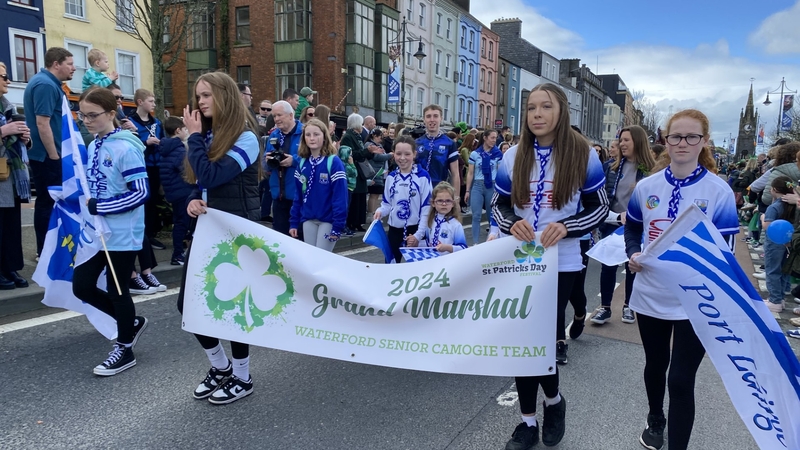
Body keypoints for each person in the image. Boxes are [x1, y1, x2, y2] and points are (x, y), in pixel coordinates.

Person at [492, 83, 607, 449]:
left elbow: (599, 208)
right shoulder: (512, 156)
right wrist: (512, 223)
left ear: (561, 112)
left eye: (545, 107)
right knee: (522, 340)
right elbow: (498, 206)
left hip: (563, 261)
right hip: (519, 259)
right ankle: (530, 421)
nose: (537, 114)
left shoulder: (584, 155)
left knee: (538, 340)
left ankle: (552, 404)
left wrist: (566, 226)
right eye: (531, 108)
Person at [625, 109, 735, 450]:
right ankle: (656, 417)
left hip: (696, 299)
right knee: (656, 365)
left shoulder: (719, 192)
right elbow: (631, 226)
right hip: (651, 294)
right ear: (665, 140)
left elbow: (725, 251)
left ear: (704, 142)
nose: (683, 143)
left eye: (691, 137)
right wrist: (632, 254)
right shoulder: (646, 187)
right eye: (676, 136)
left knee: (682, 379)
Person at [179, 71, 261, 404]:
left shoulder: (247, 138)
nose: (200, 102)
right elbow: (199, 183)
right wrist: (192, 201)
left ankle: (243, 375)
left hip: (237, 233)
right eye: (198, 96)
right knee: (186, 303)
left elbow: (212, 175)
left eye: (207, 95)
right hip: (209, 231)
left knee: (232, 309)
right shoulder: (208, 136)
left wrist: (194, 138)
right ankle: (220, 366)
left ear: (225, 97)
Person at [72, 87, 150, 376]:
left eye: (93, 115)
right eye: (83, 115)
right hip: (97, 233)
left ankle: (124, 347)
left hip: (122, 233)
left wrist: (102, 206)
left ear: (111, 113)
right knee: (81, 285)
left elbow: (140, 192)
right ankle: (128, 323)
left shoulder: (126, 147)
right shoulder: (93, 145)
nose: (87, 121)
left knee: (117, 291)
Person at [590, 125, 655, 326]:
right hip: (613, 223)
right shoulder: (610, 167)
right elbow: (601, 198)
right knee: (608, 265)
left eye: (626, 140)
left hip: (638, 227)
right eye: (620, 139)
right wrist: (615, 216)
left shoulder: (652, 171)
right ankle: (606, 307)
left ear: (638, 142)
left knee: (633, 266)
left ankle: (629, 305)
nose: (621, 144)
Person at [23, 47, 75, 257]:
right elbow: (42, 123)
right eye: (70, 64)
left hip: (48, 154)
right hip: (47, 156)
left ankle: (49, 249)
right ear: (56, 64)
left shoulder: (48, 83)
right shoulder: (45, 84)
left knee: (49, 202)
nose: (74, 68)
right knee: (47, 202)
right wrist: (54, 156)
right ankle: (45, 251)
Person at [289, 118, 348, 251]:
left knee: (323, 260)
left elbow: (340, 196)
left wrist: (338, 225)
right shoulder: (303, 163)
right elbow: (298, 196)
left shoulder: (333, 162)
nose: (312, 138)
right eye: (308, 135)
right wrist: (294, 222)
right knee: (311, 260)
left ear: (324, 136)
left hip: (328, 220)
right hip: (308, 219)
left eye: (316, 134)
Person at [373, 135, 432, 263]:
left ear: (414, 154)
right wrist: (380, 211)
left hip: (415, 230)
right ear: (393, 154)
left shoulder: (423, 177)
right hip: (394, 230)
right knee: (391, 266)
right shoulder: (391, 177)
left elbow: (426, 209)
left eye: (407, 154)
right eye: (398, 153)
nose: (402, 158)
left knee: (416, 270)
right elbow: (387, 204)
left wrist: (418, 234)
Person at [0, 61, 31, 289]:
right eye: (4, 76)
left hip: (9, 173)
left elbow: (17, 143)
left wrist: (24, 139)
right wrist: (4, 131)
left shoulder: (8, 106)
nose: (8, 80)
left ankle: (9, 267)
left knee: (10, 224)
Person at [128, 88, 166, 250]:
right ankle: (144, 236)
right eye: (151, 101)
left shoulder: (157, 122)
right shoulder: (130, 123)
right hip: (141, 168)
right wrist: (146, 144)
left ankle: (151, 234)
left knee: (155, 201)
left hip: (157, 167)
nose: (154, 104)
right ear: (140, 102)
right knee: (145, 202)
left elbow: (164, 140)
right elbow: (130, 148)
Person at [264, 101, 304, 236]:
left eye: (279, 115)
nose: (276, 119)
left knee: (300, 241)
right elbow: (267, 160)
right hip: (279, 196)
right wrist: (268, 159)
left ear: (291, 115)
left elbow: (315, 159)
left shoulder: (305, 133)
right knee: (280, 242)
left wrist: (294, 160)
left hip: (299, 198)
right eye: (274, 116)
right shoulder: (274, 135)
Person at [158, 116, 193, 265]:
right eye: (185, 129)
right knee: (182, 223)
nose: (187, 131)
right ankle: (178, 254)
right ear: (178, 130)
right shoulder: (179, 150)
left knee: (180, 222)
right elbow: (186, 171)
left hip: (173, 191)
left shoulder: (166, 148)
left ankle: (181, 252)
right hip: (183, 192)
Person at [759, 176, 797, 313]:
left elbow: (767, 226)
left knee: (772, 270)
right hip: (789, 242)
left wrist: (762, 217)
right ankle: (780, 298)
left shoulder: (774, 207)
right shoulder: (793, 205)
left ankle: (774, 301)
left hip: (774, 243)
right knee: (784, 271)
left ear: (774, 190)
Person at [465, 129, 503, 245]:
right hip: (477, 185)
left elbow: (500, 172)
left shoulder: (498, 154)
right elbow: (470, 173)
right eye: (492, 137)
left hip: (491, 185)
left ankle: (489, 243)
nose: (494, 140)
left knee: (491, 216)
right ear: (485, 138)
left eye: (495, 138)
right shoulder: (475, 154)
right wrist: (467, 190)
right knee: (476, 215)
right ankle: (475, 243)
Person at [415, 105, 460, 192]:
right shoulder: (417, 142)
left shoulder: (449, 143)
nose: (432, 119)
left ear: (441, 119)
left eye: (435, 116)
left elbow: (455, 174)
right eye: (428, 116)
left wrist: (456, 198)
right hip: (418, 190)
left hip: (440, 191)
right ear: (424, 119)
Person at [342, 113, 372, 232]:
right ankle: (352, 222)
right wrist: (366, 151)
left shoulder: (358, 136)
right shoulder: (348, 137)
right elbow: (351, 154)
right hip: (353, 170)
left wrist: (370, 152)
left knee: (361, 197)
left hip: (361, 170)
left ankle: (359, 222)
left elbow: (362, 152)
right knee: (355, 198)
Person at [418, 182, 467, 253]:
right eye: (440, 201)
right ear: (433, 203)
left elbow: (463, 248)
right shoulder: (430, 221)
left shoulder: (456, 225)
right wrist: (416, 242)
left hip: (448, 261)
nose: (444, 204)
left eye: (448, 201)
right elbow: (428, 243)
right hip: (432, 260)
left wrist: (447, 247)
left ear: (453, 203)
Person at [366, 128, 393, 215]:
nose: (381, 140)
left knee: (376, 195)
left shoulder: (378, 145)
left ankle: (373, 212)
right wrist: (389, 155)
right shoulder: (370, 145)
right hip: (374, 172)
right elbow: (377, 157)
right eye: (380, 137)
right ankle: (371, 214)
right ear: (374, 136)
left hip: (379, 172)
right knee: (373, 195)